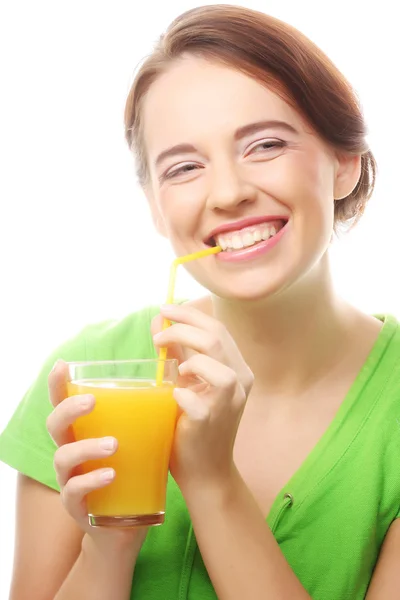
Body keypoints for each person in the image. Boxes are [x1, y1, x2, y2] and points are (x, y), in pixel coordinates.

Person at [1, 4, 399, 599]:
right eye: (184, 167)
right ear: (155, 205)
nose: (230, 192)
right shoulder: (90, 373)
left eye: (265, 145)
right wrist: (109, 536)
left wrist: (212, 482)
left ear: (345, 163)